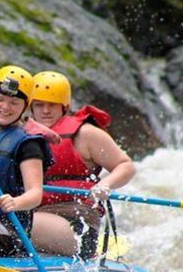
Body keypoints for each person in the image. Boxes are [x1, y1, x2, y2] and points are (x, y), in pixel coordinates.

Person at [29, 70, 136, 258]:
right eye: (39, 105)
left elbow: (125, 165)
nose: (45, 111)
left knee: (13, 224)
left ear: (65, 106)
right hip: (36, 212)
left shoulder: (85, 134)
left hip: (76, 220)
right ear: (30, 106)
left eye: (52, 105)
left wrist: (105, 184)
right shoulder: (22, 134)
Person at [0, 65, 53, 257]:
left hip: (6, 229)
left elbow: (35, 194)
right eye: (0, 99)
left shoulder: (28, 144)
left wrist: (15, 202)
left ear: (25, 106)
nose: (5, 107)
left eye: (14, 102)